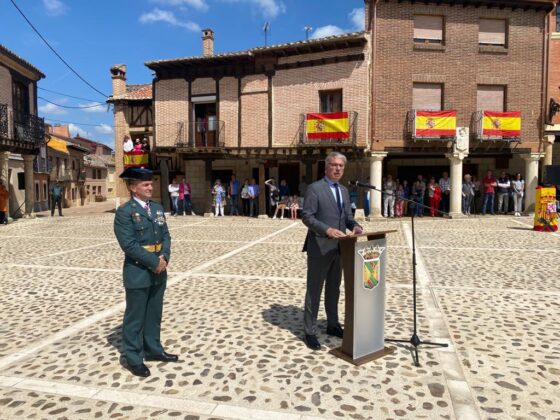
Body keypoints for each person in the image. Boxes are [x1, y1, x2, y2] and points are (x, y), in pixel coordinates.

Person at [113, 167, 177, 378]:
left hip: (159, 270)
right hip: (138, 271)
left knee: (154, 314)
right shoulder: (124, 213)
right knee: (135, 316)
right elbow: (129, 245)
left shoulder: (157, 209)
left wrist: (164, 257)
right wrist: (154, 262)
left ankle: (153, 349)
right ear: (133, 188)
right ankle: (133, 357)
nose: (151, 187)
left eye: (151, 183)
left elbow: (166, 236)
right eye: (146, 184)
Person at [301, 152, 363, 351]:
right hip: (319, 247)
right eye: (334, 165)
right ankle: (309, 331)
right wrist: (326, 230)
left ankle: (333, 324)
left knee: (334, 289)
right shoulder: (315, 189)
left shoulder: (344, 191)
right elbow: (307, 217)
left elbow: (347, 217)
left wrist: (356, 226)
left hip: (340, 247)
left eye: (341, 166)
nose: (338, 169)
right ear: (326, 167)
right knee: (314, 290)